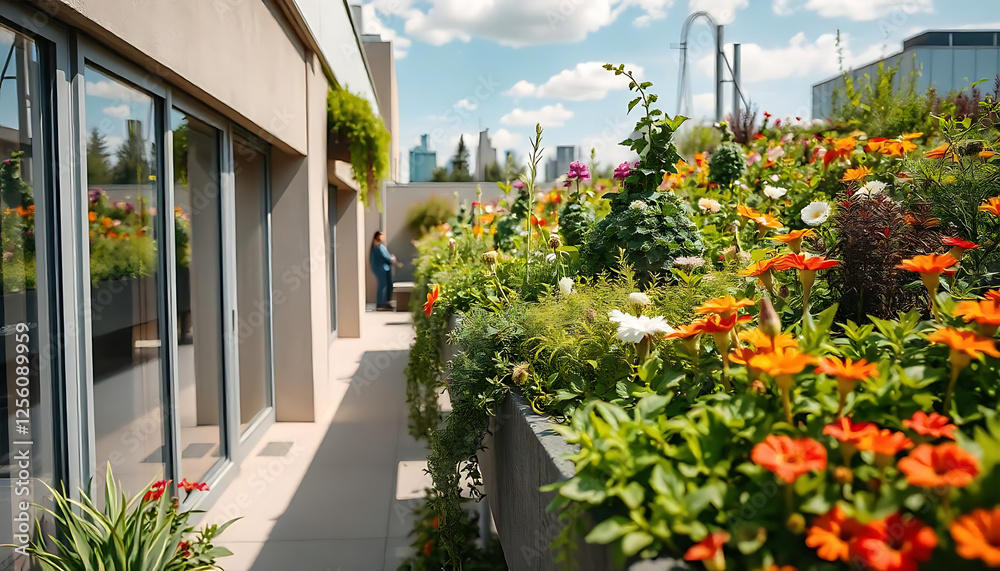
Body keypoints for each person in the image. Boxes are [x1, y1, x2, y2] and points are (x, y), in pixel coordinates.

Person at [369, 231, 399, 311]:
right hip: (381, 268)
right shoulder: (377, 247)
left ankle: (386, 302)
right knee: (383, 285)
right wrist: (392, 258)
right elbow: (385, 257)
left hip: (384, 268)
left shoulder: (380, 246)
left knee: (387, 285)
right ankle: (381, 303)